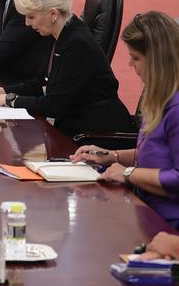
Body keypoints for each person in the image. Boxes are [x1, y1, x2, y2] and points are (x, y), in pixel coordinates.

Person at [0, 0, 133, 138]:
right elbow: (40, 83)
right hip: (75, 127)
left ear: (53, 14)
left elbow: (54, 105)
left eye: (31, 16)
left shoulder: (76, 44)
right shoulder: (57, 33)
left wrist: (7, 100)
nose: (27, 23)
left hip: (96, 133)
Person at [72, 12, 179, 226]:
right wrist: (112, 156)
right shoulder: (159, 96)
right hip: (144, 207)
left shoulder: (176, 107)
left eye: (136, 58)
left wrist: (129, 173)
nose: (130, 64)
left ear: (157, 60)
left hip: (167, 222)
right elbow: (156, 153)